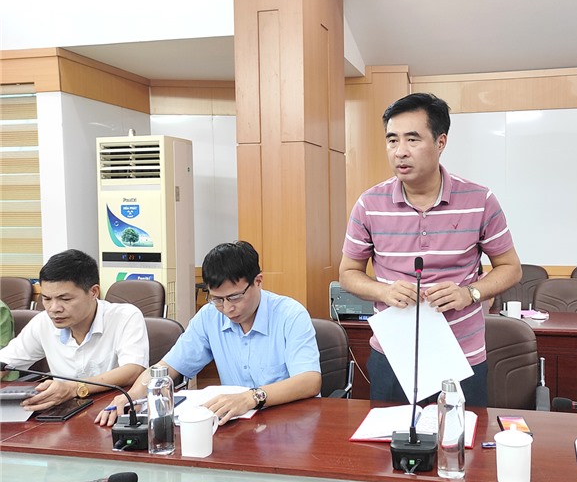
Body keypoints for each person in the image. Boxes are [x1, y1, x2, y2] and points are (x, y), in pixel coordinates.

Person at [339, 93, 522, 407]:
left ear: (441, 142)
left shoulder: (480, 200)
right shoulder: (369, 204)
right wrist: (384, 292)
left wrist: (470, 293)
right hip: (393, 355)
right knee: (391, 437)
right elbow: (348, 273)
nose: (400, 151)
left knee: (461, 437)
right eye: (392, 140)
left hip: (462, 356)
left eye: (412, 139)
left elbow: (511, 268)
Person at [96, 241, 321, 426]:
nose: (227, 308)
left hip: (290, 423)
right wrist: (132, 396)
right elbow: (167, 368)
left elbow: (310, 381)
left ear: (258, 281)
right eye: (217, 299)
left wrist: (251, 397)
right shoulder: (209, 316)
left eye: (234, 297)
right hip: (237, 424)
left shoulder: (290, 315)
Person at [0, 250, 149, 410]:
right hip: (62, 412)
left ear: (93, 292)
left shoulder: (125, 316)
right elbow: (5, 362)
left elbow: (133, 369)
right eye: (47, 299)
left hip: (112, 410)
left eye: (65, 299)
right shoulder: (43, 321)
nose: (54, 308)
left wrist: (74, 388)